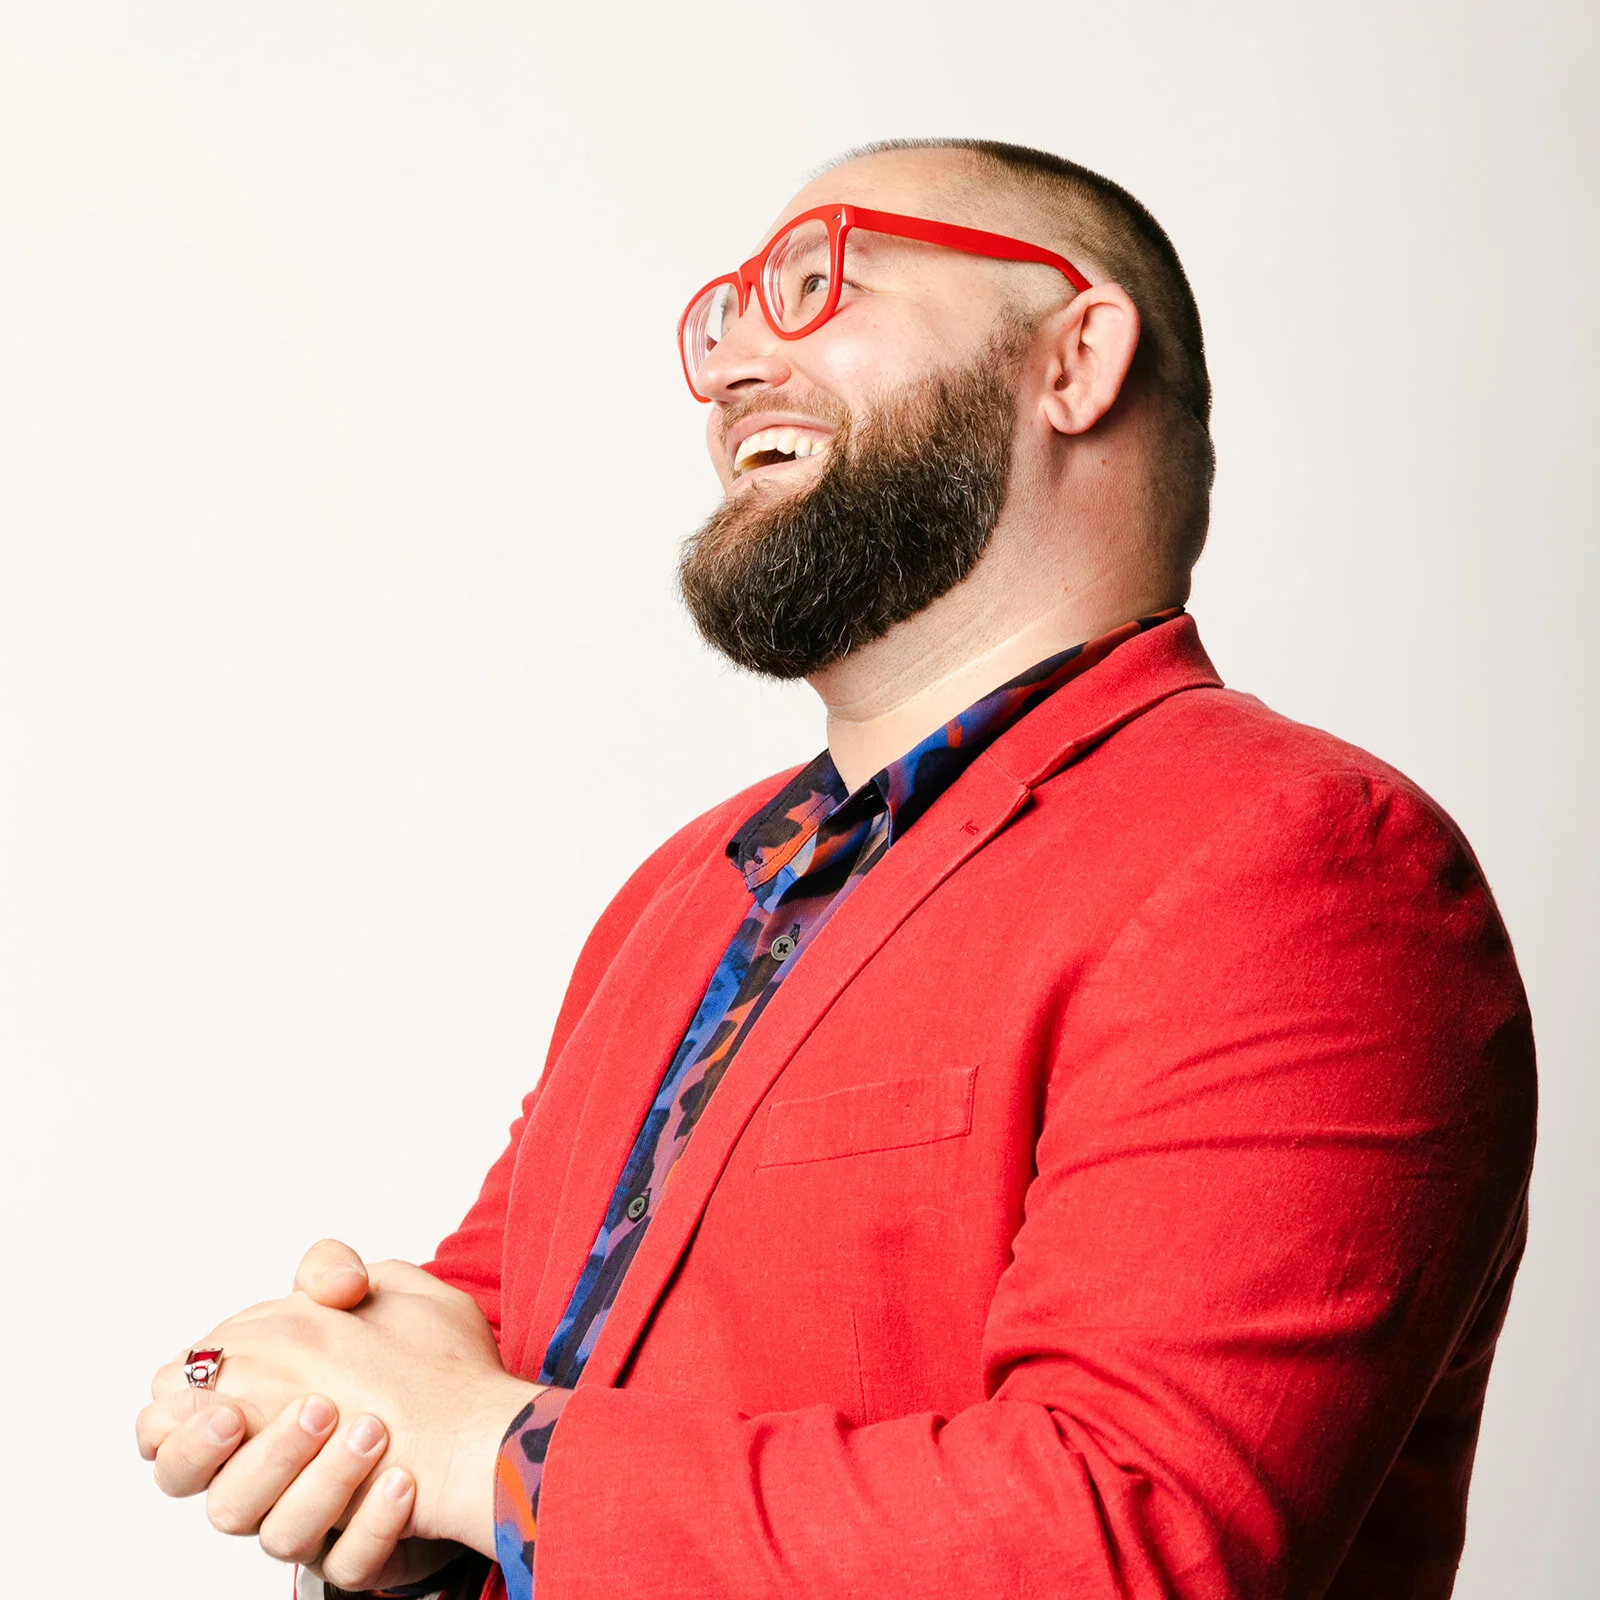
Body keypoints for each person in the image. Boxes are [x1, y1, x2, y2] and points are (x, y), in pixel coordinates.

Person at [136, 139, 1537, 1600]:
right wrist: (327, 1413)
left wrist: (478, 1454)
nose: (734, 358)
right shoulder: (686, 891)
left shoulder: (1306, 864)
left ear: (1075, 359)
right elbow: (483, 1350)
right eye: (727, 314)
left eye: (815, 283)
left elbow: (1125, 1536)